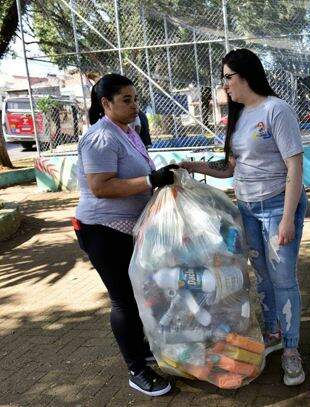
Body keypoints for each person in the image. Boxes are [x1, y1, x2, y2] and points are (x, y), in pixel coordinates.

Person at [180, 48, 307, 386]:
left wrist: (288, 218)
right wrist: (193, 167)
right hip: (247, 209)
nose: (224, 85)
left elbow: (295, 166)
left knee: (283, 280)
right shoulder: (237, 117)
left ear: (245, 75)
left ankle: (292, 350)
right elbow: (231, 169)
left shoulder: (275, 110)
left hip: (278, 206)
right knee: (261, 278)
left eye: (227, 77)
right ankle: (273, 334)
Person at [74, 73, 178, 396]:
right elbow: (99, 186)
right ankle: (136, 369)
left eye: (135, 99)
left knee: (140, 293)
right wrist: (150, 181)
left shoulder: (127, 132)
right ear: (106, 103)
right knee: (124, 300)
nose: (135, 106)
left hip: (127, 229)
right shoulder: (100, 138)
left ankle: (141, 348)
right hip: (102, 231)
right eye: (126, 100)